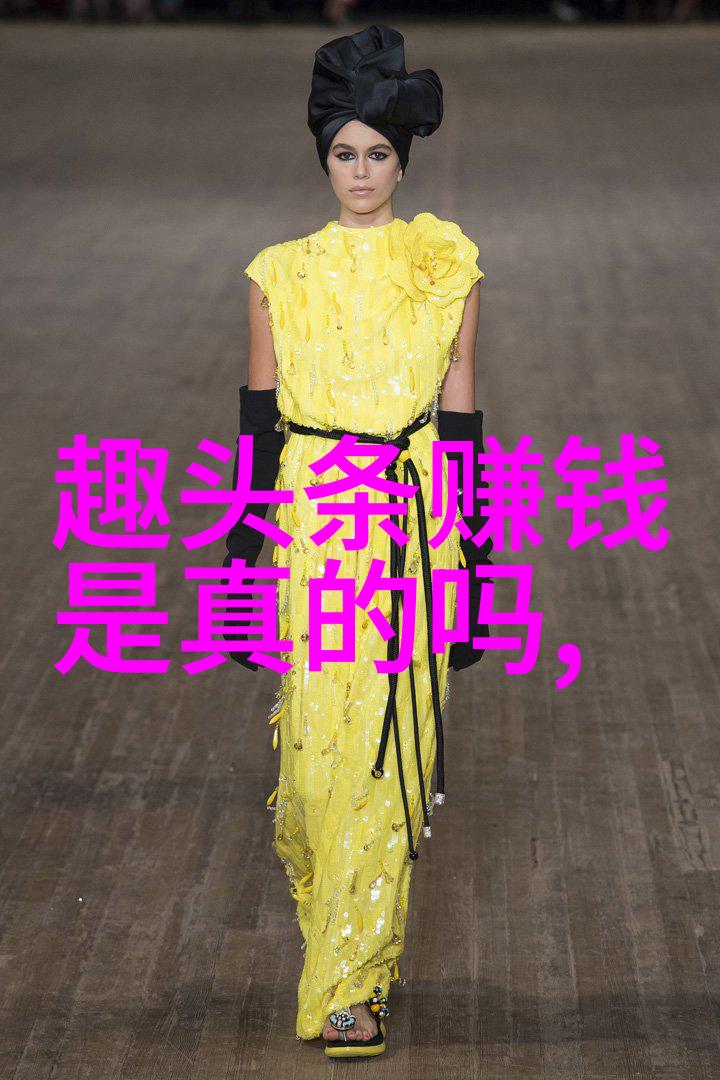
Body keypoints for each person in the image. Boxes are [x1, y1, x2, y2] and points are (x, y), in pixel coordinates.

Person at [223, 23, 492, 1059]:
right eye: (345, 152)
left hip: (414, 530)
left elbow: (462, 417)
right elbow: (258, 424)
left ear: (403, 161)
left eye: (379, 152)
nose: (363, 171)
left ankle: (352, 985)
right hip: (311, 526)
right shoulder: (277, 275)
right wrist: (243, 567)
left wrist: (476, 566)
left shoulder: (444, 268)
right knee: (311, 777)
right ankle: (339, 933)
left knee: (387, 764)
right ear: (322, 159)